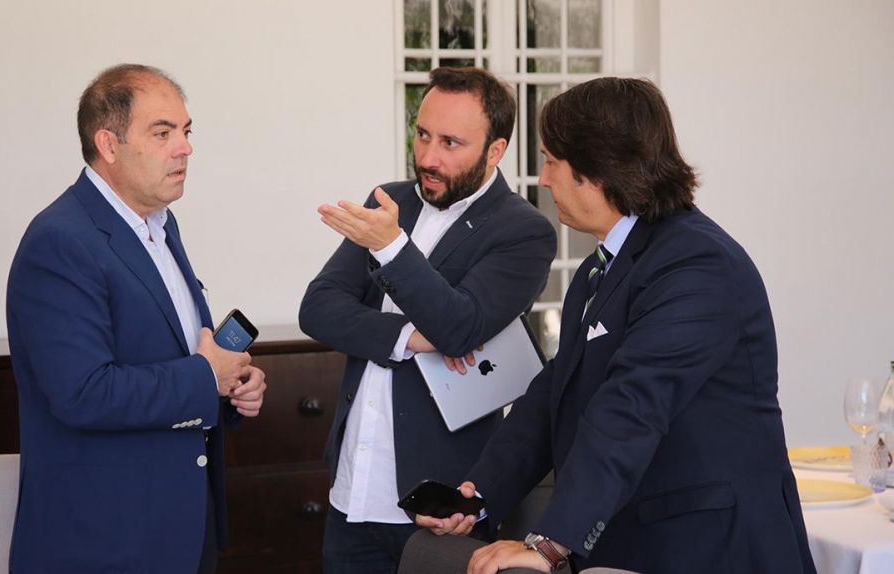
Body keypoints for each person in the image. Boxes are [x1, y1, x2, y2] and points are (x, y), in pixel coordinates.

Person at [418, 77, 816, 573]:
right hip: (637, 542)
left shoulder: (698, 264)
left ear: (597, 169)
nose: (543, 179)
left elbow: (632, 405)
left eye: (551, 161)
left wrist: (549, 543)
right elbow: (554, 395)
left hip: (710, 548)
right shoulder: (600, 266)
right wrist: (478, 498)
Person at [6, 64, 267, 573]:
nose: (185, 148)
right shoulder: (60, 241)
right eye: (163, 133)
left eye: (186, 131)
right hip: (103, 543)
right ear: (108, 143)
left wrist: (230, 386)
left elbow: (179, 357)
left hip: (180, 531)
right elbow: (83, 393)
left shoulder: (161, 225)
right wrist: (205, 377)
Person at [298, 66, 556, 572]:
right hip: (352, 491)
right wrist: (409, 337)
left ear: (495, 151)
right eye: (422, 135)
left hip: (439, 507)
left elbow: (459, 328)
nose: (428, 157)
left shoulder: (524, 231)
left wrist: (391, 247)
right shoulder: (388, 201)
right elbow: (318, 307)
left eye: (450, 143)